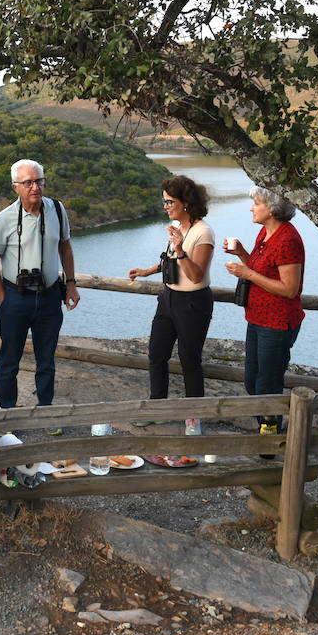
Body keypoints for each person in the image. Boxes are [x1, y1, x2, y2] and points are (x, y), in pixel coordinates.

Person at [0, 159, 80, 417]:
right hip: (15, 297)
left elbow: (65, 247)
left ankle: (45, 411)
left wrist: (70, 285)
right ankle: (6, 414)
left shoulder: (57, 210)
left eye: (39, 181)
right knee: (9, 361)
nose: (35, 187)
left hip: (49, 296)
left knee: (46, 360)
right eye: (28, 182)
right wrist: (1, 296)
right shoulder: (4, 219)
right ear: (16, 186)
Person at [127, 176, 216, 448]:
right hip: (169, 298)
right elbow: (169, 261)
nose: (165, 206)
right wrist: (147, 270)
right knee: (156, 353)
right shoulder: (179, 226)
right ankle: (157, 408)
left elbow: (195, 273)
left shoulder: (204, 233)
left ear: (186, 203)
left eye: (169, 201)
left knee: (190, 359)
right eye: (164, 201)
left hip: (192, 303)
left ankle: (193, 418)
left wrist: (179, 249)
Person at [223, 186, 305, 438]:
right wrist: (242, 254)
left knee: (268, 385)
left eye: (256, 203)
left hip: (277, 323)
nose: (251, 207)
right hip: (257, 318)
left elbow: (290, 289)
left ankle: (269, 441)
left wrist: (247, 273)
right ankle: (267, 430)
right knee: (252, 381)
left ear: (271, 209)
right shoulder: (266, 233)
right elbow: (262, 269)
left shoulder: (287, 239)